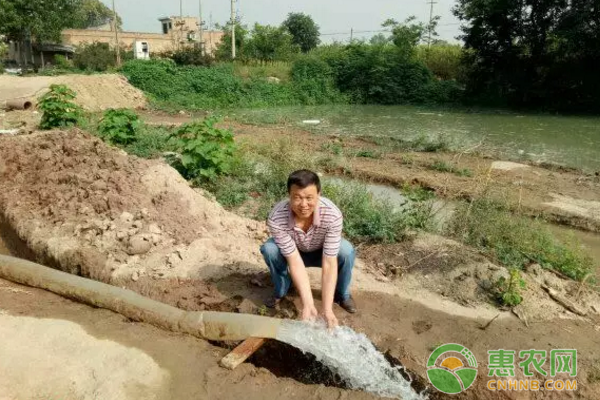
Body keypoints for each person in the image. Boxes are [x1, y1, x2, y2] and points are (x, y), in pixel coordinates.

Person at [260, 169, 357, 329]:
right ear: (289, 195)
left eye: (309, 198)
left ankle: (342, 295)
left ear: (319, 194)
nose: (303, 205)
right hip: (294, 254)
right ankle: (282, 290)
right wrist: (308, 304)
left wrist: (327, 310)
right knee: (270, 249)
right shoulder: (277, 217)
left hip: (322, 253)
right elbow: (294, 261)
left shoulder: (332, 214)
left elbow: (329, 263)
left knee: (345, 251)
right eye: (297, 198)